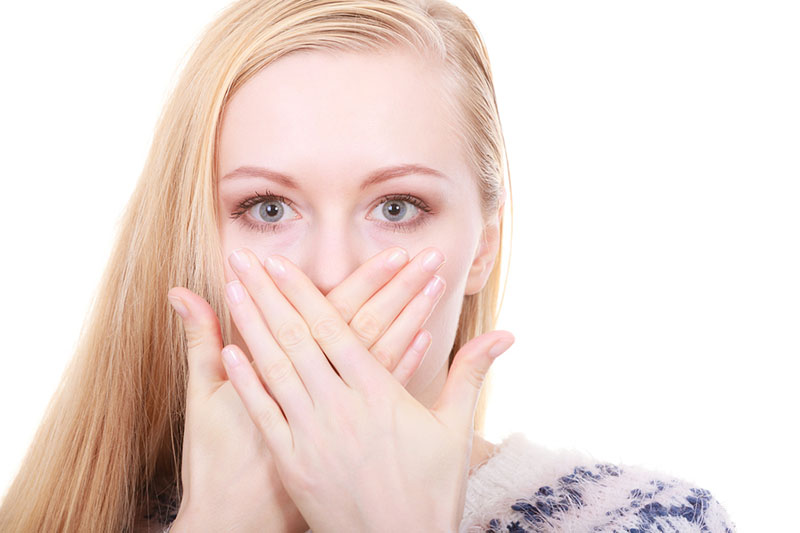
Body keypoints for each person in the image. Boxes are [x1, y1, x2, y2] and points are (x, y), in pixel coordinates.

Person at [0, 1, 737, 532]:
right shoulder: (80, 514)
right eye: (266, 207)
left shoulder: (649, 521)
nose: (329, 271)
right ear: (197, 241)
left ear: (480, 246)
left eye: (396, 207)